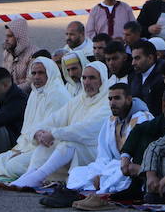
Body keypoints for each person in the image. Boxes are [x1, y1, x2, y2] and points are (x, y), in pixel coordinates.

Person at [10, 61, 111, 191]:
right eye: (84, 78)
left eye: (92, 78)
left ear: (102, 79)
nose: (87, 82)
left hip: (95, 151)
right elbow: (54, 119)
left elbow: (87, 128)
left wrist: (54, 133)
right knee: (47, 142)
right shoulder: (79, 100)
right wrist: (38, 133)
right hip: (73, 149)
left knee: (67, 143)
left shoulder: (107, 102)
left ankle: (38, 177)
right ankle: (30, 174)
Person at [0, 57, 71, 180]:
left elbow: (49, 132)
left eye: (41, 73)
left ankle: (41, 173)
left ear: (50, 72)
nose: (37, 77)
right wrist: (20, 148)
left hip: (48, 148)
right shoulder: (34, 93)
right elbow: (27, 128)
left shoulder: (57, 94)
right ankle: (29, 171)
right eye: (34, 73)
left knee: (13, 166)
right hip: (28, 146)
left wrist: (25, 151)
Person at [64, 82, 155, 206]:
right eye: (110, 99)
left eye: (117, 98)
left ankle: (100, 189)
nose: (112, 102)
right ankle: (100, 185)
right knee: (76, 172)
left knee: (120, 178)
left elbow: (137, 158)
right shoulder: (111, 119)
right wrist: (100, 172)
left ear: (128, 99)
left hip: (130, 168)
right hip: (111, 167)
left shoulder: (143, 118)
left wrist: (105, 174)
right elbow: (103, 153)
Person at [2, 19, 34, 86]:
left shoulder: (33, 54)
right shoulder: (7, 53)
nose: (6, 39)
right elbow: (3, 77)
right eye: (6, 36)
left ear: (19, 37)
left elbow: (30, 83)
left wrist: (11, 92)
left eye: (10, 36)